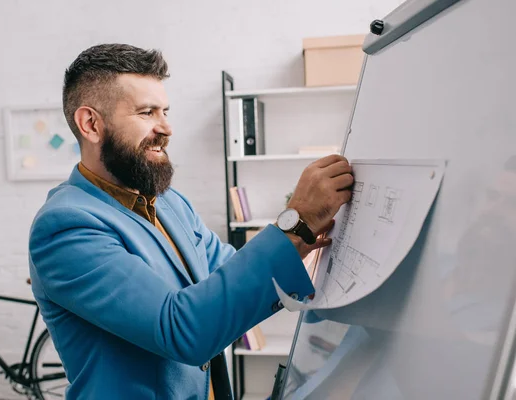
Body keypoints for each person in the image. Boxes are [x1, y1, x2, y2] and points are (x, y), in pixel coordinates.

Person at [28, 43, 353, 399]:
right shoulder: (65, 226)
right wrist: (296, 222)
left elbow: (226, 275)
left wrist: (309, 239)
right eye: (147, 112)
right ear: (91, 124)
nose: (166, 127)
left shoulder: (168, 202)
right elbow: (180, 329)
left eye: (165, 110)